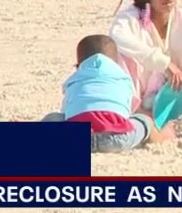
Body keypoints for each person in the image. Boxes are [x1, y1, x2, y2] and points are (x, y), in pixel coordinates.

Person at [40, 35, 174, 152]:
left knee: (53, 117)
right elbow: (126, 112)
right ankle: (161, 135)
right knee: (144, 121)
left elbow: (67, 111)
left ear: (78, 66)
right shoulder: (122, 78)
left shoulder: (74, 80)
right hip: (117, 138)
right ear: (116, 63)